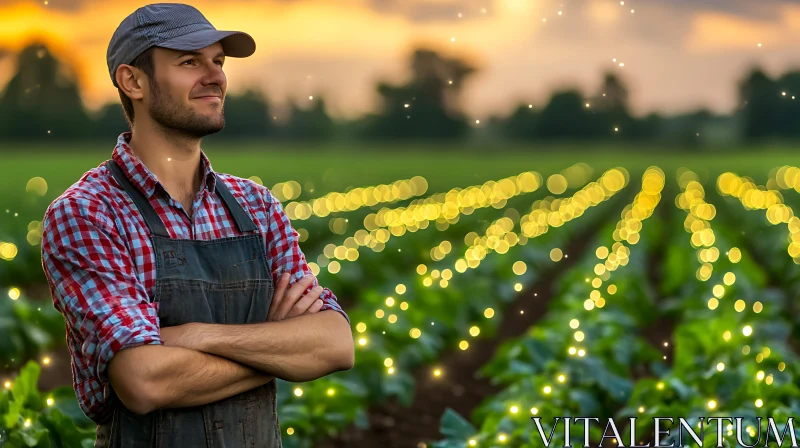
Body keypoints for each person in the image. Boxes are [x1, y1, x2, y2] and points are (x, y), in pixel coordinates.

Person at [39, 3, 354, 447]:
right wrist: (278, 349)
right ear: (133, 82)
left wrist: (192, 336)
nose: (215, 77)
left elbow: (334, 344)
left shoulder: (256, 205)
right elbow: (144, 382)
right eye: (189, 62)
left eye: (218, 62)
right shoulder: (89, 213)